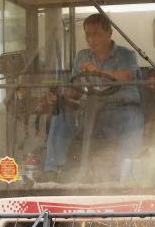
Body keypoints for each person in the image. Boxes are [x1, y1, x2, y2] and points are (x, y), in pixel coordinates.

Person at [43, 13, 143, 175]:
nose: (91, 39)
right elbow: (75, 89)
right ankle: (52, 170)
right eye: (88, 34)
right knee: (60, 112)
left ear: (109, 33)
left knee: (133, 118)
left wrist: (98, 71)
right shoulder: (82, 56)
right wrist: (59, 93)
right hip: (91, 110)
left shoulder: (126, 55)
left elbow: (126, 76)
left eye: (96, 34)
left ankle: (127, 175)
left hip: (122, 109)